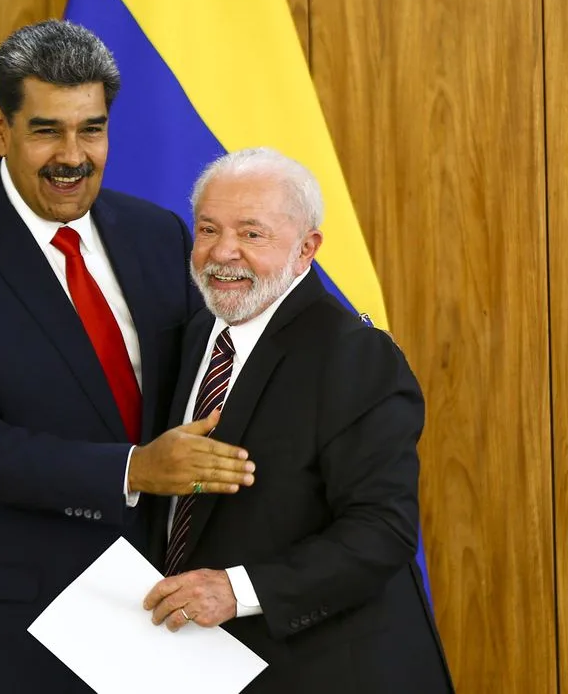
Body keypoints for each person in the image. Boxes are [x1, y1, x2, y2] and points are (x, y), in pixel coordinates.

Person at [0, 20, 254, 693]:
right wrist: (137, 467)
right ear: (2, 126)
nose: (73, 155)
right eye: (47, 129)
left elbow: (204, 385)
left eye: (93, 129)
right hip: (6, 632)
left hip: (154, 616)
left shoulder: (156, 234)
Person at [142, 147, 454, 693]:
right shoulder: (194, 336)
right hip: (200, 666)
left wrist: (236, 591)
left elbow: (382, 531)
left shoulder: (356, 357)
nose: (223, 253)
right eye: (208, 229)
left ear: (307, 248)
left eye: (252, 234)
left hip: (325, 671)